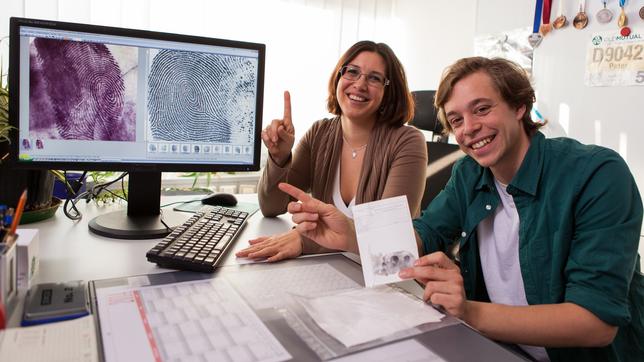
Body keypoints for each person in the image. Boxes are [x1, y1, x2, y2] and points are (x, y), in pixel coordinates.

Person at [277, 57, 643, 361]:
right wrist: (352, 235)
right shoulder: (471, 172)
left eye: (482, 109)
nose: (469, 129)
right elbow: (423, 235)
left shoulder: (597, 174)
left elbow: (595, 322)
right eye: (456, 120)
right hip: (494, 349)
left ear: (520, 106)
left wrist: (468, 310)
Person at [236, 41, 427, 262]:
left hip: (386, 278)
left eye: (374, 78)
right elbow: (271, 208)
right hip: (329, 268)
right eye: (352, 72)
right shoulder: (319, 133)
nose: (360, 84)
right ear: (338, 77)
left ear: (388, 91)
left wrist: (303, 240)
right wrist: (279, 157)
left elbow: (388, 238)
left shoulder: (407, 141)